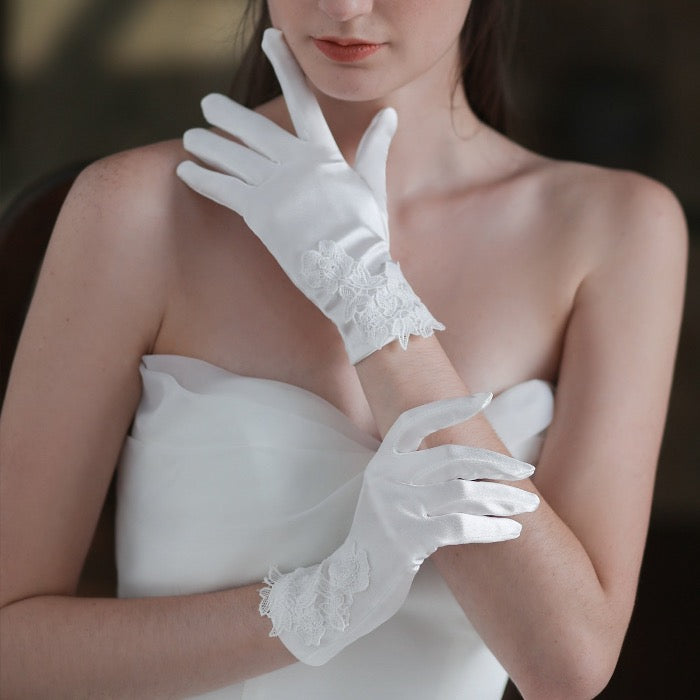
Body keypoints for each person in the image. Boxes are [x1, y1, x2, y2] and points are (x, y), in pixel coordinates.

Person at [0, 0, 687, 698]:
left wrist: (369, 299)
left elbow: (567, 667)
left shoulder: (616, 231)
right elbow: (11, 650)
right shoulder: (135, 210)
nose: (345, 6)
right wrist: (326, 605)